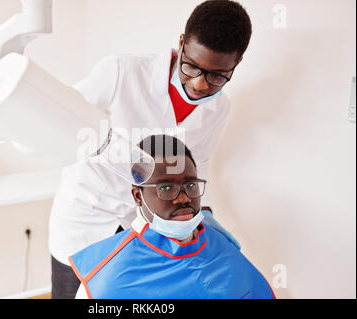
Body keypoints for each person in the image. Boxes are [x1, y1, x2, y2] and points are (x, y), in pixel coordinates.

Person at [50, 0, 253, 298]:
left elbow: (200, 162)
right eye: (192, 66)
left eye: (217, 76)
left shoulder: (218, 108)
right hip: (86, 216)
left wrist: (203, 215)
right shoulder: (120, 71)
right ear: (182, 43)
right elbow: (64, 121)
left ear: (236, 64)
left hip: (145, 226)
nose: (199, 84)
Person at [69, 135, 275, 299]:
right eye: (166, 188)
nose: (183, 198)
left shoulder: (222, 246)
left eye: (191, 185)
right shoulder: (106, 280)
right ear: (138, 196)